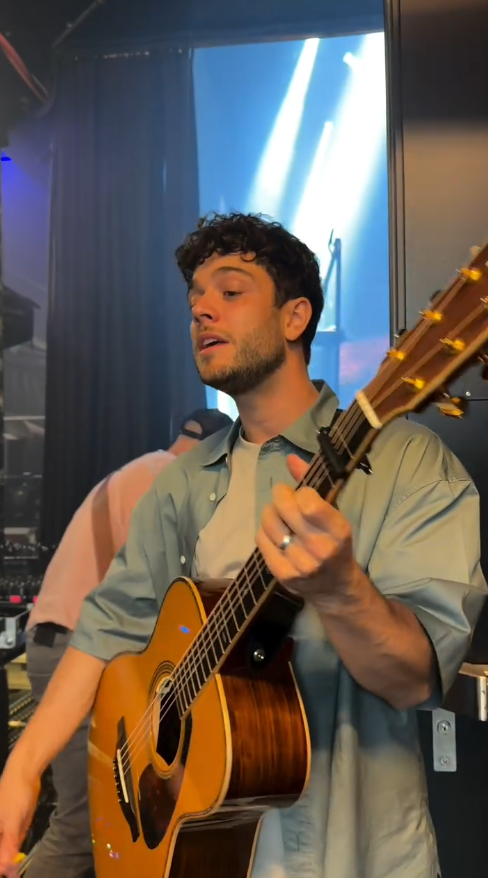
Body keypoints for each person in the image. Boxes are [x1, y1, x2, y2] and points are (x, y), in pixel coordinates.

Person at [0, 212, 485, 878]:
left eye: (230, 291)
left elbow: (414, 680)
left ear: (295, 318)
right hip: (199, 848)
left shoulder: (410, 463)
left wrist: (342, 590)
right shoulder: (179, 484)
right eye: (195, 300)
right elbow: (105, 630)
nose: (202, 310)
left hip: (358, 855)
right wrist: (22, 769)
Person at [23, 407, 232, 878]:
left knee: (100, 825)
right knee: (82, 828)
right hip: (76, 648)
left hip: (59, 638)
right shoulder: (165, 478)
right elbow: (170, 600)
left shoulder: (140, 469)